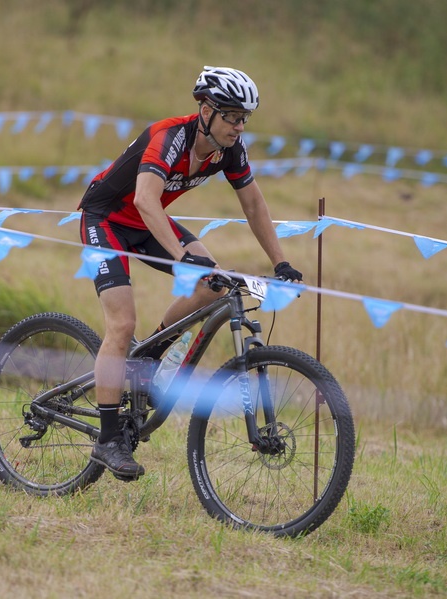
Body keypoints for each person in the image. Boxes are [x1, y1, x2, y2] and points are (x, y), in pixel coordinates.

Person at [78, 66, 303, 480]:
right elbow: (146, 199)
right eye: (232, 116)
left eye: (244, 118)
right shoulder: (169, 136)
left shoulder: (229, 149)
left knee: (215, 286)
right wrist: (182, 253)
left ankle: (147, 357)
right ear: (206, 110)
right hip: (107, 218)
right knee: (122, 323)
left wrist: (280, 263)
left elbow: (253, 204)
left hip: (148, 222)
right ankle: (108, 438)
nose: (238, 126)